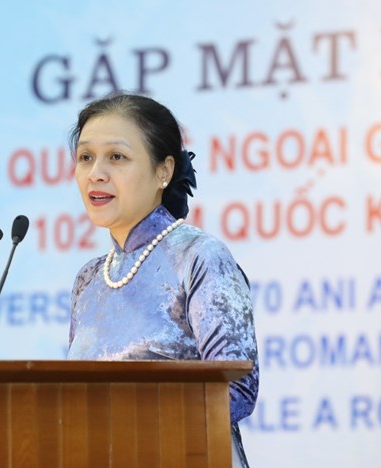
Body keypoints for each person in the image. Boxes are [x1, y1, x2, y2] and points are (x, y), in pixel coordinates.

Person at [67, 93, 259, 467]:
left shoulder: (198, 256)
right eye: (86, 157)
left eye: (116, 157)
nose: (96, 173)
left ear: (163, 171)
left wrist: (128, 430)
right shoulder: (88, 280)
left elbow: (237, 389)